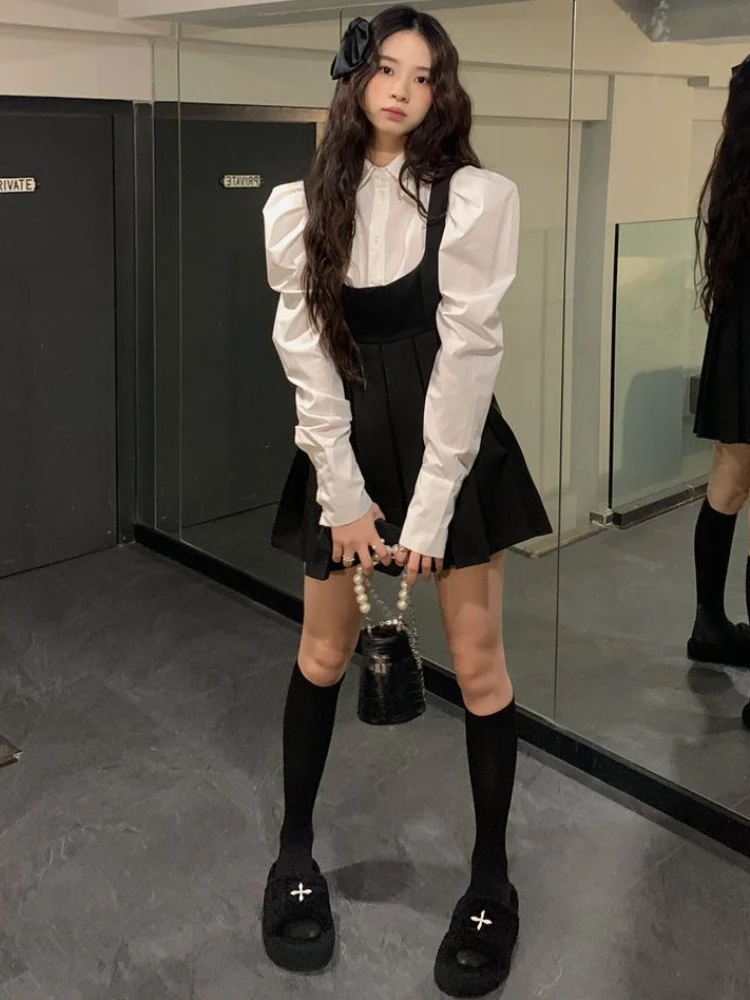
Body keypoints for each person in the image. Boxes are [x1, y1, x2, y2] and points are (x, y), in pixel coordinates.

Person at [260, 7, 551, 996]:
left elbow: (469, 354)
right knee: (320, 655)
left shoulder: (472, 197)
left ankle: (491, 882)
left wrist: (429, 508)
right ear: (357, 80)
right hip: (345, 450)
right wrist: (342, 493)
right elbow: (306, 356)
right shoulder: (303, 204)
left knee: (480, 667)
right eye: (386, 69)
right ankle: (294, 854)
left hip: (449, 454)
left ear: (441, 94)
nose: (402, 90)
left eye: (423, 77)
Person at [692, 53, 750, 670]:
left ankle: (708, 624)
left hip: (737, 343)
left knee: (729, 485)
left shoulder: (733, 172)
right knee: (731, 485)